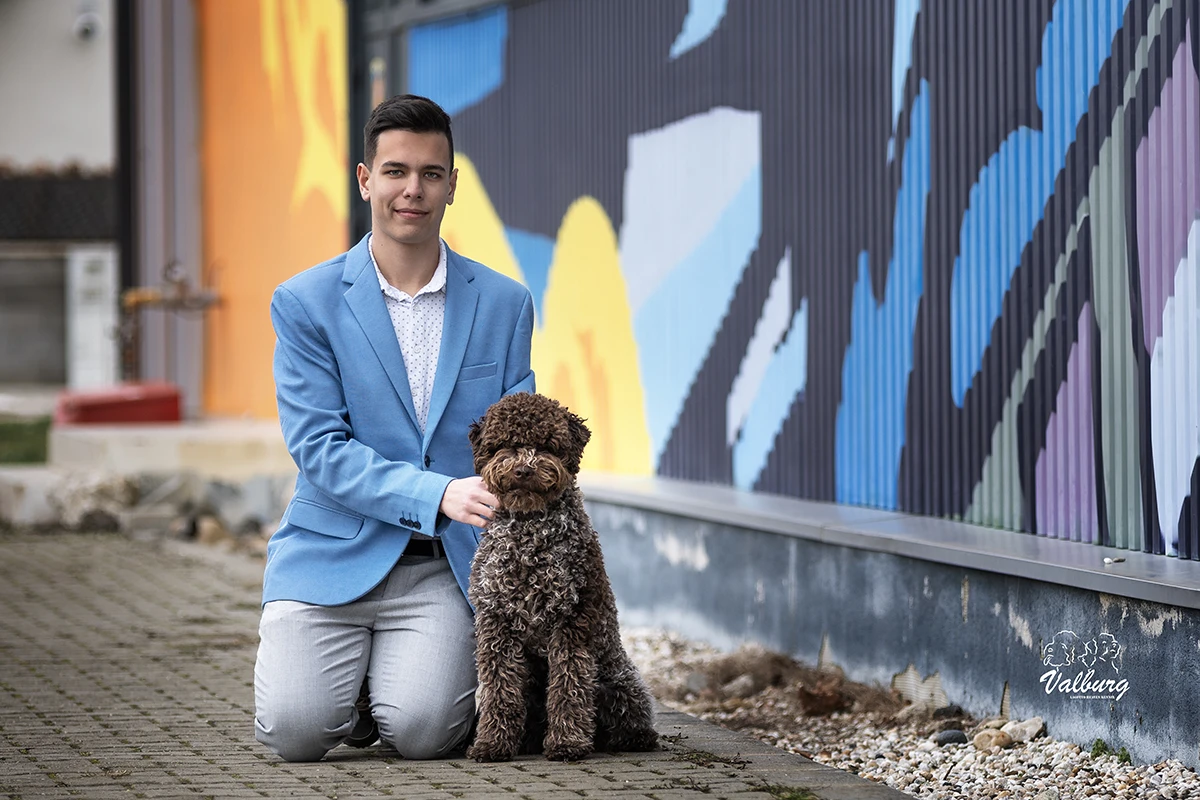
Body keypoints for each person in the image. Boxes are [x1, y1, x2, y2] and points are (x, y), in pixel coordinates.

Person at [253, 94, 535, 762]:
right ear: (365, 179)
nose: (413, 189)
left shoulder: (506, 304)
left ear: (452, 185)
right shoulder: (305, 302)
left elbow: (516, 439)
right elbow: (320, 450)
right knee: (296, 734)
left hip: (442, 568)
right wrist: (438, 492)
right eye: (396, 171)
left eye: (431, 174)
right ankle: (349, 690)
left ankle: (382, 687)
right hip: (329, 559)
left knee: (424, 734)